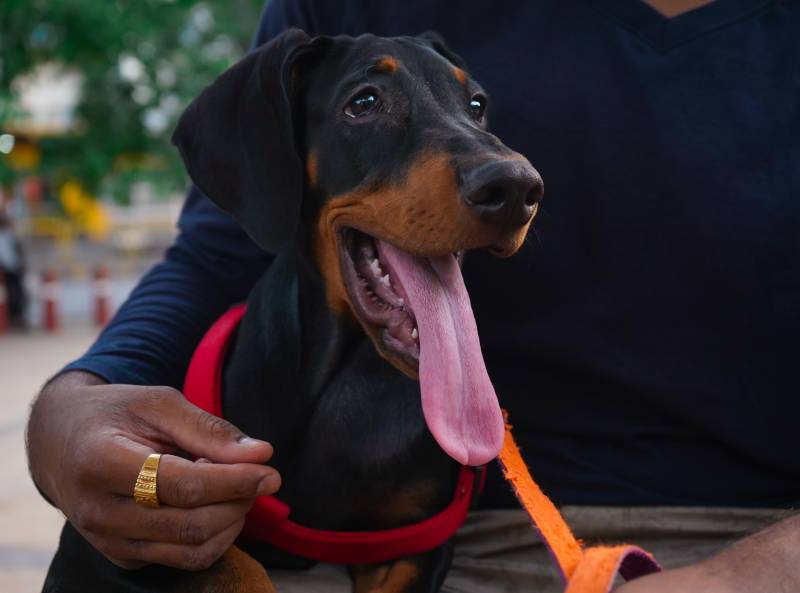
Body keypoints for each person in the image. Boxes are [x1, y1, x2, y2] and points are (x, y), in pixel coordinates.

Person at [26, 0, 799, 591]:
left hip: (761, 541)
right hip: (403, 543)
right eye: (367, 103)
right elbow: (225, 248)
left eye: (473, 112)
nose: (508, 172)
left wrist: (743, 575)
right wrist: (74, 406)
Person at [0, 211, 27, 327]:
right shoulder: (4, 236)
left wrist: (22, 264)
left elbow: (18, 250)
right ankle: (13, 318)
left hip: (14, 269)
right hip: (7, 271)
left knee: (18, 294)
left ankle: (16, 318)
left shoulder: (10, 235)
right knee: (11, 295)